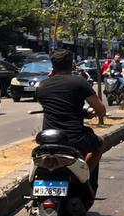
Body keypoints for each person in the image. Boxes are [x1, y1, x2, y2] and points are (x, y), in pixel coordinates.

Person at [36, 49, 107, 190]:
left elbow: (52, 103)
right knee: (99, 144)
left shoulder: (42, 86)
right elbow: (101, 111)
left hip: (47, 140)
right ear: (72, 65)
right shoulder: (79, 82)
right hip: (74, 139)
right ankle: (82, 175)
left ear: (53, 66)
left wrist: (51, 77)